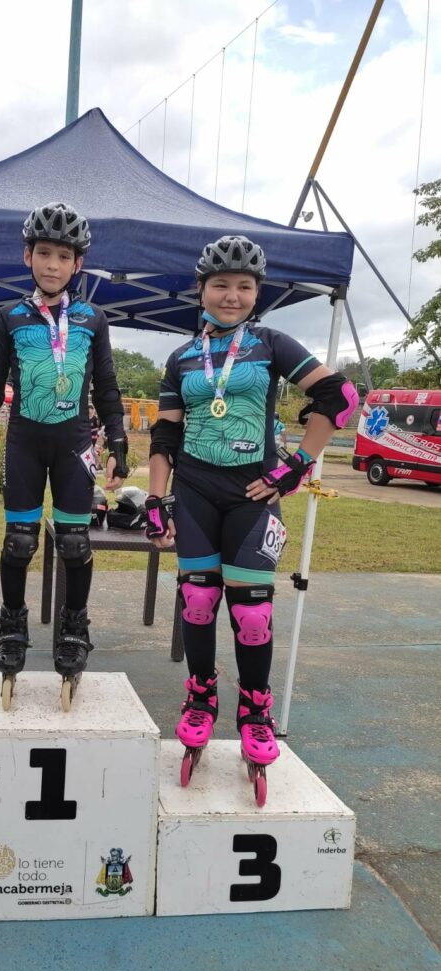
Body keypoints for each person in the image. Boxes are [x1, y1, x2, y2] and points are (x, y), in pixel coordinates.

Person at [145, 234, 358, 803]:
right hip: (193, 491)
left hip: (252, 495)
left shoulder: (271, 343)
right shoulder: (182, 357)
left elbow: (341, 398)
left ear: (257, 293)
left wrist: (296, 468)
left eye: (243, 286)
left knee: (253, 614)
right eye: (221, 284)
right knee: (196, 601)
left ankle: (255, 712)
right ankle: (198, 699)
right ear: (201, 290)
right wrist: (156, 497)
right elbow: (165, 434)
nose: (231, 294)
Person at [0, 202, 128, 710]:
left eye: (63, 256)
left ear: (78, 264)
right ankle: (12, 626)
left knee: (75, 543)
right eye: (43, 254)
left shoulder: (92, 318)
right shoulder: (10, 316)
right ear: (27, 255)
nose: (52, 264)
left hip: (76, 440)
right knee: (19, 542)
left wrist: (118, 440)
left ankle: (73, 627)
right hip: (25, 440)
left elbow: (105, 383)